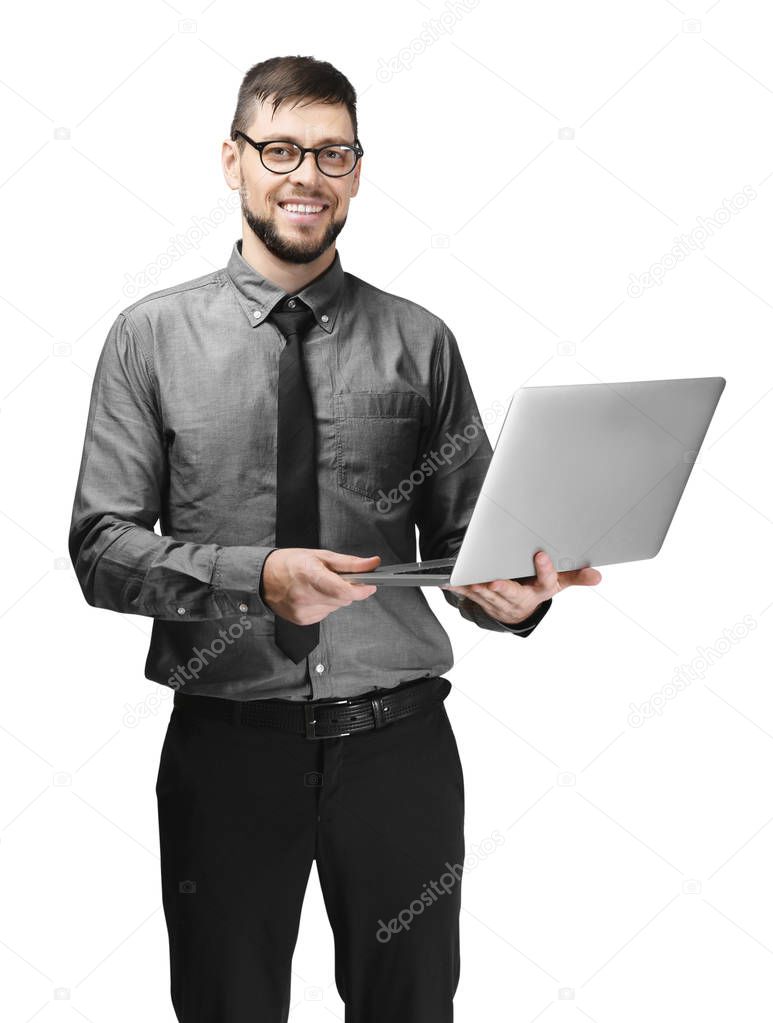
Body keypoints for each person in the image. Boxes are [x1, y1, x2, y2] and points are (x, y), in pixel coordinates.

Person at [68, 54, 601, 1023]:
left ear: (356, 170)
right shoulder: (149, 338)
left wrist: (511, 599)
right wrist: (255, 579)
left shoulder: (417, 340)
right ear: (231, 161)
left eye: (331, 153)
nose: (305, 175)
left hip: (397, 749)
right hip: (227, 751)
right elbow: (100, 548)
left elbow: (462, 545)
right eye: (279, 149)